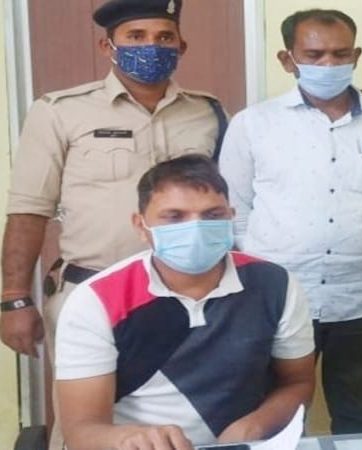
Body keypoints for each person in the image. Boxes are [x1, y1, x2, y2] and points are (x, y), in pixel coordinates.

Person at [219, 9, 362, 434]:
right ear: (287, 59)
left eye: (340, 54)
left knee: (360, 418)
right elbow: (237, 210)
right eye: (314, 55)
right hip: (280, 298)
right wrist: (264, 278)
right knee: (277, 419)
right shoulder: (253, 124)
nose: (329, 64)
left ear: (356, 56)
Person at [1, 0, 226, 358]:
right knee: (87, 396)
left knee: (190, 394)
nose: (151, 46)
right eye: (135, 36)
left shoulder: (208, 113)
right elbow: (29, 210)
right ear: (108, 46)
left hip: (190, 293)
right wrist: (14, 298)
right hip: (91, 289)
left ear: (181, 47)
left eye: (164, 37)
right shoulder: (60, 112)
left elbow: (224, 202)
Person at [55, 155, 315, 450]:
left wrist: (254, 427)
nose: (196, 229)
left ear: (231, 217)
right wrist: (129, 439)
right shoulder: (96, 301)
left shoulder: (275, 284)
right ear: (140, 225)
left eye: (213, 215)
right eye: (174, 217)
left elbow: (298, 383)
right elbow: (82, 430)